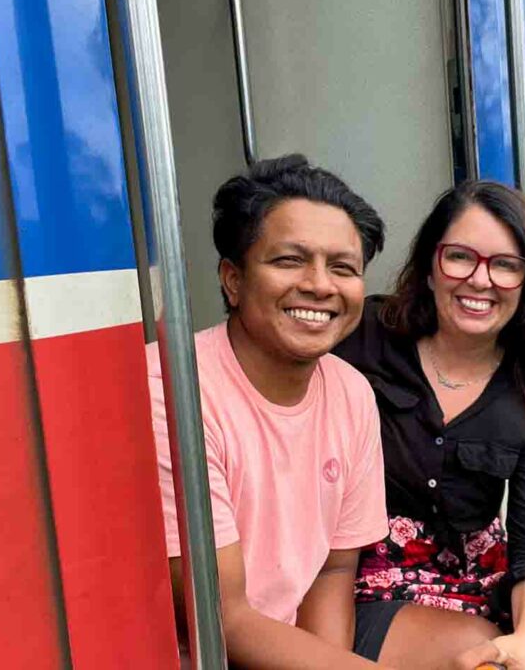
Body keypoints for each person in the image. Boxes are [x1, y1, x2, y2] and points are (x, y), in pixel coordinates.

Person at [146, 155, 391, 668]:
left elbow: (333, 571)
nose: (320, 285)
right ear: (233, 280)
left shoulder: (351, 392)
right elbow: (221, 616)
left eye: (343, 268)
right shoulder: (172, 388)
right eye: (288, 261)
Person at [334, 181, 525, 670]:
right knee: (471, 650)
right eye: (460, 257)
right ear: (431, 268)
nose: (480, 280)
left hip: (473, 571)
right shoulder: (361, 336)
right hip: (353, 568)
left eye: (505, 265)